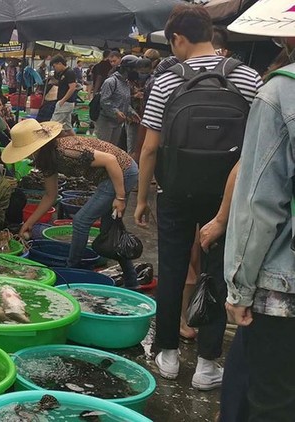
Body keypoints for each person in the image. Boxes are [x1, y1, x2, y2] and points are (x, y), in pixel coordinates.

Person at [134, 4, 262, 390]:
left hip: (174, 192)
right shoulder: (248, 77)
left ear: (178, 39)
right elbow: (258, 146)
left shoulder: (167, 80)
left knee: (172, 270)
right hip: (228, 197)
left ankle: (168, 355)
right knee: (217, 272)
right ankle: (207, 364)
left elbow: (150, 149)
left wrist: (142, 198)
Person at [218, 2, 295, 419]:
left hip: (285, 288)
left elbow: (259, 206)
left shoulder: (280, 92)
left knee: (272, 401)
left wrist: (239, 288)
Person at [4, 119, 140, 289]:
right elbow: (50, 195)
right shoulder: (47, 160)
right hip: (109, 177)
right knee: (111, 233)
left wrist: (120, 198)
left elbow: (111, 160)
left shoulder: (66, 151)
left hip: (122, 173)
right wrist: (28, 223)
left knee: (81, 221)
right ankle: (132, 282)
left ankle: (72, 268)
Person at [95, 55, 141, 147]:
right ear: (127, 69)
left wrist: (131, 112)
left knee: (113, 149)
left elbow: (125, 102)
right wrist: (116, 112)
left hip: (118, 123)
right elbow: (104, 101)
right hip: (106, 122)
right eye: (134, 69)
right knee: (104, 149)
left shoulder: (126, 83)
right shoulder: (111, 82)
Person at [49, 55, 78, 134]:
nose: (55, 68)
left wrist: (63, 100)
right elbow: (63, 85)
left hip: (65, 103)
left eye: (55, 66)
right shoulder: (62, 73)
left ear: (60, 63)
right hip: (65, 102)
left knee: (53, 125)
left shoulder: (69, 72)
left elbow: (72, 88)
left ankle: (54, 144)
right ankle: (77, 144)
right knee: (67, 128)